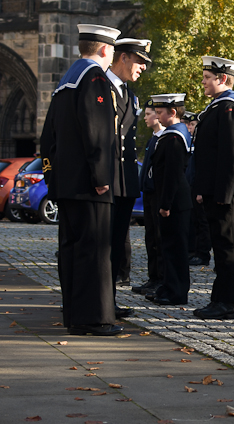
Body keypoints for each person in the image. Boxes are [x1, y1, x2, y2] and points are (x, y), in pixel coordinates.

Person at [40, 24, 121, 335]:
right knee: (96, 250)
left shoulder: (65, 82)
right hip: (90, 184)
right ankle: (96, 318)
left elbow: (48, 138)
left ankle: (75, 315)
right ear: (104, 50)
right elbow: (97, 131)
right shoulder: (94, 77)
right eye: (112, 50)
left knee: (72, 250)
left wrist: (52, 177)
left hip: (67, 183)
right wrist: (101, 175)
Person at [191, 56, 234, 319]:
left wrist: (223, 194)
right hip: (219, 190)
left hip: (231, 191)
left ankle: (227, 304)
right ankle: (220, 298)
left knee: (228, 248)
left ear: (223, 79)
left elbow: (231, 156)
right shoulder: (218, 107)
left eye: (207, 78)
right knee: (221, 246)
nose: (203, 82)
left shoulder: (229, 109)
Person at [107, 38, 150, 315]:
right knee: (102, 246)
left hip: (123, 183)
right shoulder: (101, 88)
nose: (143, 68)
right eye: (139, 61)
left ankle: (107, 301)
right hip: (107, 181)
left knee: (115, 248)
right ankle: (99, 302)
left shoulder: (129, 95)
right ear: (123, 57)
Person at [145, 93, 192, 306]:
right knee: (168, 246)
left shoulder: (174, 137)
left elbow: (172, 174)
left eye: (160, 112)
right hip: (171, 198)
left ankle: (177, 291)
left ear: (173, 112)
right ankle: (168, 285)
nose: (157, 115)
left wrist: (165, 204)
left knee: (175, 248)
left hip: (175, 201)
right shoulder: (171, 134)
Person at [132, 101, 164, 296]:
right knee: (150, 238)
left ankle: (160, 278)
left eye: (149, 113)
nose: (145, 117)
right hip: (149, 194)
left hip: (157, 194)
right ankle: (153, 277)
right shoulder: (153, 138)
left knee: (159, 239)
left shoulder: (165, 138)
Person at [184, 111, 212, 267]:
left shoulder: (203, 141)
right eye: (189, 124)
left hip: (199, 187)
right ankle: (194, 251)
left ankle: (203, 254)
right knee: (193, 221)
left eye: (193, 124)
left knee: (203, 223)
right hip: (191, 187)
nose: (190, 127)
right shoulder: (191, 141)